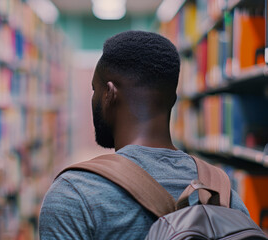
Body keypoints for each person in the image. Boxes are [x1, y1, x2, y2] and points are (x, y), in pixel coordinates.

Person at [38, 31, 249, 239]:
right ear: (173, 101)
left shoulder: (73, 195)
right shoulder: (222, 193)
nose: (93, 99)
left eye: (95, 90)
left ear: (109, 94)